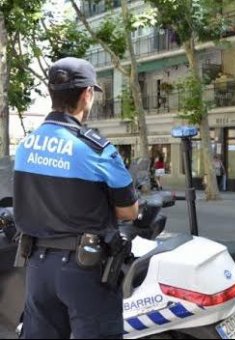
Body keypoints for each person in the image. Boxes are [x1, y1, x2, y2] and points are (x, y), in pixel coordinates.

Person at [12, 57, 139, 339]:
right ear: (87, 94)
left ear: (51, 94)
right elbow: (129, 212)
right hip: (84, 270)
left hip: (37, 268)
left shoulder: (25, 146)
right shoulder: (97, 150)